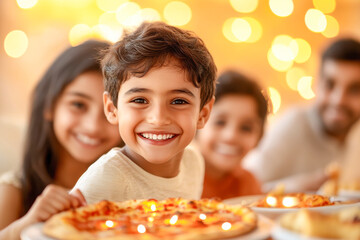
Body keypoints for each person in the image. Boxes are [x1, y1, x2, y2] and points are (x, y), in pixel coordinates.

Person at [70, 21, 217, 204]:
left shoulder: (194, 162)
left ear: (202, 114)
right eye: (139, 100)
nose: (158, 119)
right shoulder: (103, 180)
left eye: (179, 101)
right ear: (112, 109)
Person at [0, 40, 122, 239]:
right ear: (50, 105)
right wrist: (27, 224)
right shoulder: (15, 190)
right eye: (78, 105)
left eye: (110, 110)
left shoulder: (131, 190)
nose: (93, 126)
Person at [243, 38, 360, 193]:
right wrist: (288, 189)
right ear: (317, 84)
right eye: (330, 85)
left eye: (354, 89)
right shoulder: (293, 125)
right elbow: (243, 192)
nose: (338, 100)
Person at [197, 70, 269, 199]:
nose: (231, 136)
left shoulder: (249, 184)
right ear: (198, 122)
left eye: (246, 128)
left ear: (259, 136)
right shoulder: (174, 180)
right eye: (220, 122)